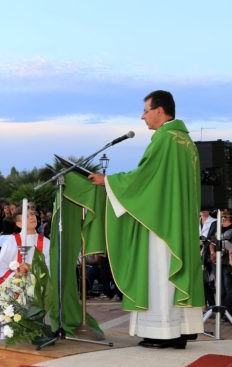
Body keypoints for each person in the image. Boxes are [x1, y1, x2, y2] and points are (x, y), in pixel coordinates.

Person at [89, 90, 204, 349]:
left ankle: (164, 332)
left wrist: (106, 180)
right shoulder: (186, 142)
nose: (142, 117)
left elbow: (144, 179)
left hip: (162, 222)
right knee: (177, 270)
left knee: (160, 271)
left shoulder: (164, 140)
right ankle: (183, 329)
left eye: (146, 110)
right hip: (180, 220)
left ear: (160, 111)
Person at [0, 209, 50, 286]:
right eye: (27, 216)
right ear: (19, 224)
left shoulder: (46, 242)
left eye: (32, 214)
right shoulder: (10, 242)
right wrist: (16, 276)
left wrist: (31, 268)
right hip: (17, 291)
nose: (32, 217)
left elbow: (51, 267)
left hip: (40, 291)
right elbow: (0, 268)